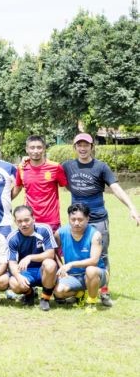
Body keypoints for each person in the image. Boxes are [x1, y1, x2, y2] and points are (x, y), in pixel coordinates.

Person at [62, 132, 140, 307]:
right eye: (79, 145)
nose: (82, 148)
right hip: (77, 221)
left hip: (98, 220)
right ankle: (78, 290)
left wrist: (132, 207)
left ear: (92, 147)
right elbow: (52, 173)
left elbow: (116, 188)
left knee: (101, 256)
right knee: (74, 254)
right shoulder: (67, 166)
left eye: (86, 145)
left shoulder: (101, 167)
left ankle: (104, 292)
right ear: (74, 148)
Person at [53, 203, 107, 311]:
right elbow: (54, 252)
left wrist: (71, 264)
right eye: (73, 219)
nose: (76, 223)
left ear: (87, 218)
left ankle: (91, 302)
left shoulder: (95, 235)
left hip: (97, 274)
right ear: (68, 218)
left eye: (80, 219)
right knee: (58, 292)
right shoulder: (60, 233)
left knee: (90, 270)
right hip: (73, 276)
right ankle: (80, 293)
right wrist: (61, 267)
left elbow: (94, 261)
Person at [6, 205, 58, 310]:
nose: (23, 224)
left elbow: (51, 254)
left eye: (26, 220)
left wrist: (29, 257)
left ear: (33, 219)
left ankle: (45, 298)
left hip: (43, 271)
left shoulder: (44, 229)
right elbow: (12, 263)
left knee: (50, 264)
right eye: (19, 221)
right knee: (13, 282)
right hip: (25, 272)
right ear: (15, 222)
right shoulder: (12, 238)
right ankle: (29, 294)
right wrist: (18, 276)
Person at [13, 135, 68, 231]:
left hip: (51, 220)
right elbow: (17, 188)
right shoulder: (21, 167)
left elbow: (66, 186)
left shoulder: (55, 167)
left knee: (52, 246)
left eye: (39, 147)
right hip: (29, 220)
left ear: (44, 149)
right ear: (27, 149)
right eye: (32, 147)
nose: (35, 151)